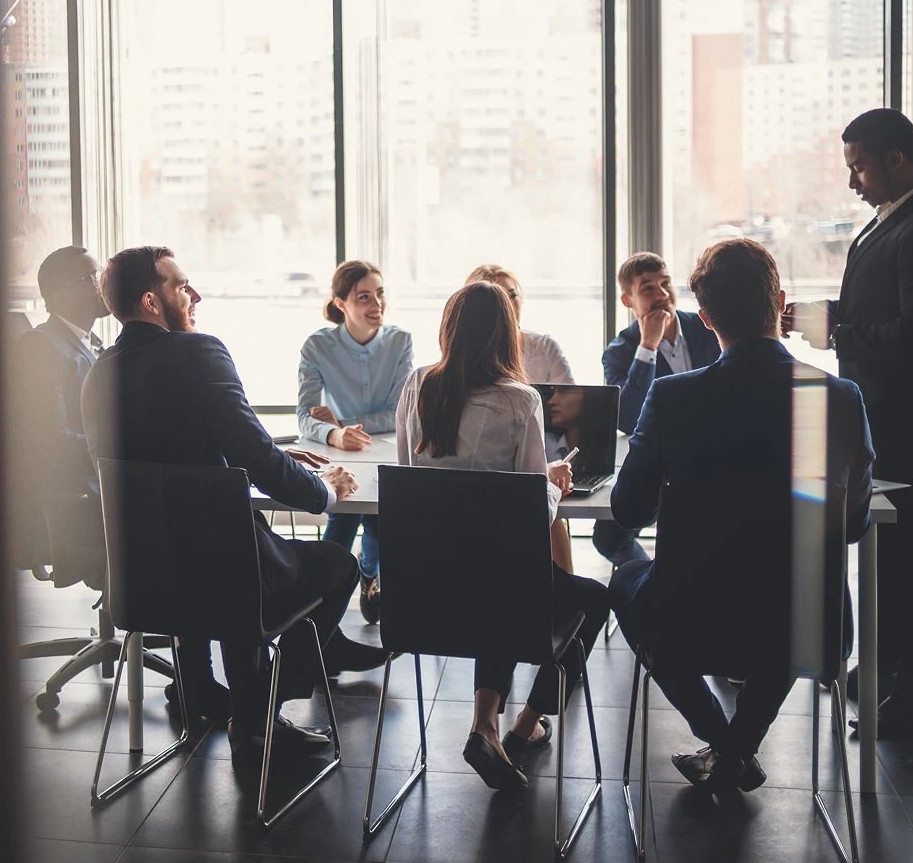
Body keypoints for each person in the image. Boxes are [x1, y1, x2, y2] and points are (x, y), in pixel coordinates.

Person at [81, 246, 388, 766]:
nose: (195, 295)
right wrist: (327, 492)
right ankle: (257, 712)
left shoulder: (98, 375)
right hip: (225, 578)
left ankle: (206, 694)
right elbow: (260, 464)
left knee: (228, 553)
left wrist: (263, 454)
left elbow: (167, 451)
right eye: (182, 286)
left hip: (144, 579)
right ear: (151, 302)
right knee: (337, 566)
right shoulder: (199, 352)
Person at [609, 240, 874, 797]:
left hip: (693, 617)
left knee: (626, 581)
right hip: (811, 624)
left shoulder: (674, 399)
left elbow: (626, 510)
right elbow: (852, 526)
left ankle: (722, 739)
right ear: (779, 301)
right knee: (791, 594)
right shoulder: (838, 397)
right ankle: (739, 745)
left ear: (705, 318)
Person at [783, 108, 913, 737]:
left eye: (859, 166)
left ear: (896, 159)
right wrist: (821, 316)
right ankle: (891, 667)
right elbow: (876, 306)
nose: (852, 180)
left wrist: (840, 334)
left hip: (911, 420)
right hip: (884, 413)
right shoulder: (892, 221)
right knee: (890, 549)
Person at [395, 281, 609, 791]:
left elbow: (407, 480)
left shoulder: (416, 384)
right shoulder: (519, 400)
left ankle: (485, 726)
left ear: (448, 329)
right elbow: (533, 513)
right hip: (502, 593)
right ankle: (526, 722)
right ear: (506, 335)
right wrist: (552, 483)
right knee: (589, 599)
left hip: (424, 596)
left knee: (501, 578)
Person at [297, 261, 413, 624]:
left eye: (380, 293)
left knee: (380, 516)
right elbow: (305, 416)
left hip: (387, 454)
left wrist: (341, 424)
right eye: (364, 297)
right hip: (338, 455)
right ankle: (321, 607)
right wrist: (333, 434)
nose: (377, 304)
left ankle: (363, 576)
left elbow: (398, 413)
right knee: (346, 512)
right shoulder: (317, 346)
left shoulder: (400, 342)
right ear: (341, 303)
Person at [594, 253, 721, 568]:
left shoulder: (708, 327)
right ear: (627, 300)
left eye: (666, 284)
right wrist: (647, 348)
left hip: (715, 455)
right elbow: (627, 420)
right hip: (658, 462)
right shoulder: (619, 352)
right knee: (609, 537)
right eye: (648, 288)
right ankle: (654, 577)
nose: (662, 294)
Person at [10, 246, 110, 590]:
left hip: (100, 488)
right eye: (90, 277)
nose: (101, 284)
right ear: (58, 294)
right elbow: (52, 443)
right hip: (76, 501)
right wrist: (120, 448)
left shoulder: (91, 345)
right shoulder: (40, 346)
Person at [465, 263, 576, 571]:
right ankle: (556, 588)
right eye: (498, 299)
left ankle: (559, 583)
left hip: (547, 451)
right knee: (543, 504)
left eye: (512, 295)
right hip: (500, 467)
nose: (508, 305)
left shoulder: (543, 346)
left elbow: (570, 403)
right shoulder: (520, 396)